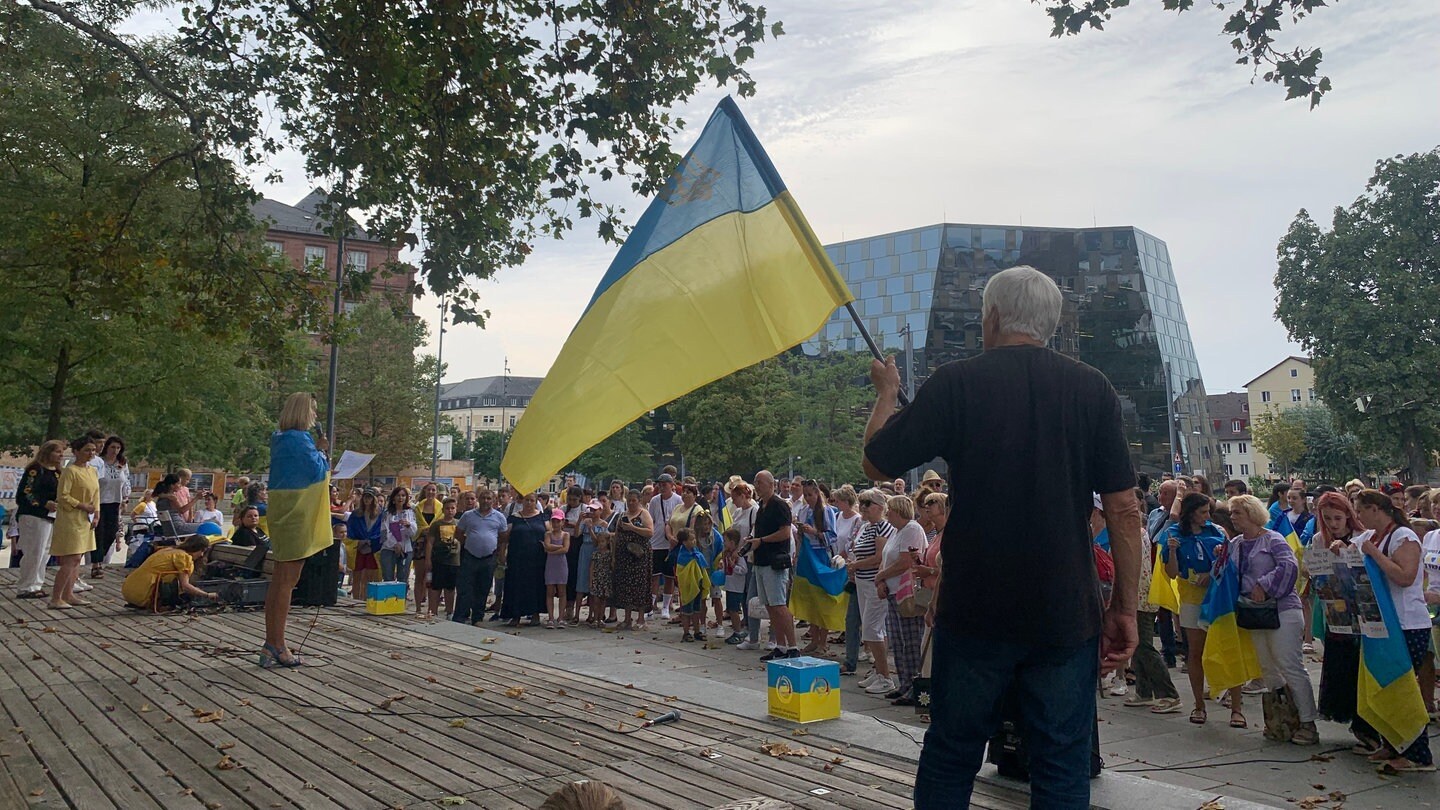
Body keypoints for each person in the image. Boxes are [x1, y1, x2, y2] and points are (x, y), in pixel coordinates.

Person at [863, 266, 1141, 809]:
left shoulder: (957, 382)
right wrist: (1125, 607)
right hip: (1064, 609)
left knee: (952, 751)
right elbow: (1124, 509)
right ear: (1052, 326)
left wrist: (887, 393)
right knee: (1062, 761)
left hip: (977, 607)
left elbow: (876, 462)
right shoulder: (1092, 389)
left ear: (990, 317)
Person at [1224, 495, 1319, 744]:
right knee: (1267, 667)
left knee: (1290, 664)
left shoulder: (1273, 539)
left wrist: (1264, 584)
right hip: (1252, 612)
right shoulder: (1235, 543)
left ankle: (1308, 721)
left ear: (1252, 514)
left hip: (1282, 609)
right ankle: (1283, 717)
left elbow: (1290, 566)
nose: (1232, 517)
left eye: (1237, 513)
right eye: (1232, 513)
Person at [1352, 489, 1434, 773]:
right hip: (1380, 623)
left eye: (1360, 510)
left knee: (1402, 688)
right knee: (1383, 684)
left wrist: (1374, 554)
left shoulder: (1403, 536)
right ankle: (1392, 741)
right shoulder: (1371, 537)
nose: (1357, 516)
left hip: (1407, 622)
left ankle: (1418, 754)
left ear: (1375, 509)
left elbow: (1405, 577)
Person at [261, 393, 333, 668]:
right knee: (287, 583)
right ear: (304, 411)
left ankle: (272, 643)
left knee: (280, 581)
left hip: (282, 510)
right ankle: (277, 644)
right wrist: (322, 450)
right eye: (313, 410)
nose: (315, 415)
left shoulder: (279, 438)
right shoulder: (300, 440)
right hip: (296, 514)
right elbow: (317, 471)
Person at [1312, 491, 1380, 752]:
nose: (1333, 524)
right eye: (1328, 518)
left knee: (1361, 669)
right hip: (1337, 615)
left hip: (1363, 614)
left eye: (1338, 518)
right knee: (1342, 668)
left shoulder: (1362, 538)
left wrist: (1347, 552)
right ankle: (1352, 718)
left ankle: (1367, 724)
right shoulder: (1320, 539)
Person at [1160, 492, 1227, 723]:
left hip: (1217, 597)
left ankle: (1225, 690)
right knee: (1195, 651)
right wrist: (1170, 551)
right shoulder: (1174, 534)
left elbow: (1229, 562)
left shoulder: (1216, 531)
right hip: (1190, 597)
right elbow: (1170, 572)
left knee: (1220, 647)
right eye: (1202, 512)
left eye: (1208, 511)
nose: (1207, 516)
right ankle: (1198, 703)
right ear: (1190, 514)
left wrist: (1211, 572)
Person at [1123, 487, 1183, 714]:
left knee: (1145, 645)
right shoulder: (1137, 531)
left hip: (1139, 594)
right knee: (1137, 646)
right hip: (1137, 594)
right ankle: (1144, 690)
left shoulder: (1135, 533)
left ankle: (1169, 693)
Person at [876, 495, 927, 705]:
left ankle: (914, 685)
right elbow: (886, 558)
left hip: (907, 594)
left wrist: (881, 576)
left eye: (889, 511)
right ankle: (904, 683)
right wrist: (881, 579)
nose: (887, 514)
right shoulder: (897, 532)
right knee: (898, 641)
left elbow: (905, 561)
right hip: (893, 592)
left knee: (911, 641)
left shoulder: (912, 530)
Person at [846, 488, 897, 691]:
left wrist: (856, 565)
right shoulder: (866, 527)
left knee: (872, 628)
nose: (863, 508)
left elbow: (879, 557)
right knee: (870, 628)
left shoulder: (882, 527)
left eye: (867, 504)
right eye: (862, 504)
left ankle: (885, 676)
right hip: (862, 582)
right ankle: (878, 671)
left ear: (879, 507)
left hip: (874, 583)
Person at [48, 436, 100, 610]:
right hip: (71, 518)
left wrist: (97, 513)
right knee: (71, 557)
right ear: (76, 451)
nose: (91, 453)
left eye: (93, 450)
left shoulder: (92, 470)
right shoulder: (70, 471)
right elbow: (63, 496)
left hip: (86, 518)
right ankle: (56, 597)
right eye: (87, 450)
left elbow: (96, 494)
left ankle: (68, 594)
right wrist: (81, 505)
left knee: (79, 558)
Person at [751, 471, 798, 661]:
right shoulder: (761, 506)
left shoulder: (780, 506)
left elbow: (785, 533)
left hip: (775, 561)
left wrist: (762, 540)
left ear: (772, 484)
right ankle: (780, 645)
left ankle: (793, 646)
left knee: (779, 605)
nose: (756, 485)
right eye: (755, 482)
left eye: (759, 482)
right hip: (761, 561)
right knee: (770, 606)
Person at [14, 440, 63, 599]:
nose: (60, 455)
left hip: (50, 516)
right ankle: (26, 586)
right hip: (33, 514)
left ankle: (37, 583)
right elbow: (26, 492)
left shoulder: (57, 472)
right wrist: (42, 503)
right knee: (34, 550)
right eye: (57, 452)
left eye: (62, 452)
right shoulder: (36, 470)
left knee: (45, 551)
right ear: (47, 452)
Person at [453, 489, 506, 625]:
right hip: (470, 555)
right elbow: (458, 533)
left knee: (483, 588)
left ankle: (477, 617)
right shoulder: (468, 515)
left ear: (493, 501)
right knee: (465, 587)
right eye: (483, 498)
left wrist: (496, 550)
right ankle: (460, 616)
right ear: (478, 499)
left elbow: (503, 537)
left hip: (489, 558)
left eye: (489, 498)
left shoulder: (499, 517)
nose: (486, 501)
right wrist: (469, 542)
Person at [121, 536, 218, 610]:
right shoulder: (184, 557)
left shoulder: (169, 550)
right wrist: (207, 595)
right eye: (202, 551)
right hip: (143, 595)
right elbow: (185, 586)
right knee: (171, 577)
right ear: (195, 548)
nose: (201, 555)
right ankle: (163, 604)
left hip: (129, 590)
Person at [500, 493, 547, 627]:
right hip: (517, 558)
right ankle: (515, 615)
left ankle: (535, 614)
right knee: (516, 585)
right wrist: (502, 554)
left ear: (536, 502)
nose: (529, 503)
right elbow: (504, 538)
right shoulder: (514, 517)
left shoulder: (542, 517)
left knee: (536, 585)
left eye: (532, 500)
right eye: (526, 500)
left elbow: (550, 533)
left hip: (537, 558)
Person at [611, 490, 654, 630]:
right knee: (625, 586)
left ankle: (641, 619)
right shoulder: (622, 515)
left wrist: (633, 528)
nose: (630, 503)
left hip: (639, 556)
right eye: (629, 500)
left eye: (633, 500)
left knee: (640, 586)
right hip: (624, 556)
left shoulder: (643, 514)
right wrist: (614, 554)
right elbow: (617, 535)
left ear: (639, 500)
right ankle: (627, 618)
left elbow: (650, 532)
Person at [91, 435, 131, 578]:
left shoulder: (122, 463)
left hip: (115, 502)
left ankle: (99, 558)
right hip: (100, 502)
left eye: (118, 448)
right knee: (99, 533)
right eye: (113, 447)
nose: (115, 450)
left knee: (111, 532)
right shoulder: (99, 462)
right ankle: (96, 564)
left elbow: (126, 481)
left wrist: (125, 499)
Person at [647, 474, 683, 619]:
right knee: (654, 576)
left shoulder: (677, 500)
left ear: (671, 484)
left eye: (664, 484)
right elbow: (651, 520)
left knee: (669, 577)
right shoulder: (655, 501)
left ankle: (666, 607)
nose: (661, 487)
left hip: (671, 543)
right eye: (659, 484)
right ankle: (650, 606)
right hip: (656, 543)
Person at [425, 497, 461, 617]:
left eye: (452, 508)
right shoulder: (436, 524)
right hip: (438, 560)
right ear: (443, 509)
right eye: (447, 508)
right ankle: (433, 611)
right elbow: (430, 542)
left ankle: (449, 612)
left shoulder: (459, 523)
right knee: (435, 587)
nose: (450, 511)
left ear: (456, 509)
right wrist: (428, 559)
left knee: (450, 588)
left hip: (454, 561)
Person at [346, 490, 383, 600]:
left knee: (370, 576)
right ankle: (356, 599)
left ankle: (366, 599)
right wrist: (359, 541)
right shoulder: (356, 514)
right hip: (358, 547)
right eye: (365, 497)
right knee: (357, 575)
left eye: (370, 497)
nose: (367, 500)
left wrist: (372, 541)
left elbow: (382, 530)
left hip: (373, 548)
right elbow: (350, 530)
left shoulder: (380, 514)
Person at [380, 487, 417, 595]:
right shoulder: (387, 513)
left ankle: (401, 602)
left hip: (406, 549)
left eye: (403, 495)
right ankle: (388, 601)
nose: (400, 498)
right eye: (398, 495)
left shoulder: (410, 512)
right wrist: (394, 544)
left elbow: (413, 532)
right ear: (393, 498)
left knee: (403, 578)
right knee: (388, 577)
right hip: (389, 549)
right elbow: (383, 532)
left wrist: (408, 525)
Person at [542, 507, 571, 629]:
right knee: (550, 591)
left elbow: (565, 549)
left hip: (561, 565)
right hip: (551, 565)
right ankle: (551, 617)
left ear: (562, 522)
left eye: (558, 521)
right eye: (553, 521)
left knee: (562, 591)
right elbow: (547, 545)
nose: (555, 523)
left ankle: (561, 617)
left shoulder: (566, 534)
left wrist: (551, 550)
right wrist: (557, 548)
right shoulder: (548, 534)